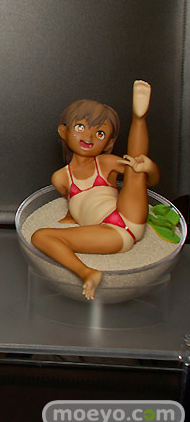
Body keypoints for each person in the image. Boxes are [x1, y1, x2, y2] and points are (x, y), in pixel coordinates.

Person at [31, 80, 158, 300]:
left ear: (108, 143)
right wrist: (71, 216)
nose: (88, 138)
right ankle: (87, 272)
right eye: (80, 127)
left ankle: (139, 117)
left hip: (128, 214)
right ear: (63, 131)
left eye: (99, 134)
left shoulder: (106, 163)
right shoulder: (61, 177)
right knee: (40, 236)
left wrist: (150, 168)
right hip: (108, 233)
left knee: (135, 166)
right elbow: (73, 204)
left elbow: (149, 181)